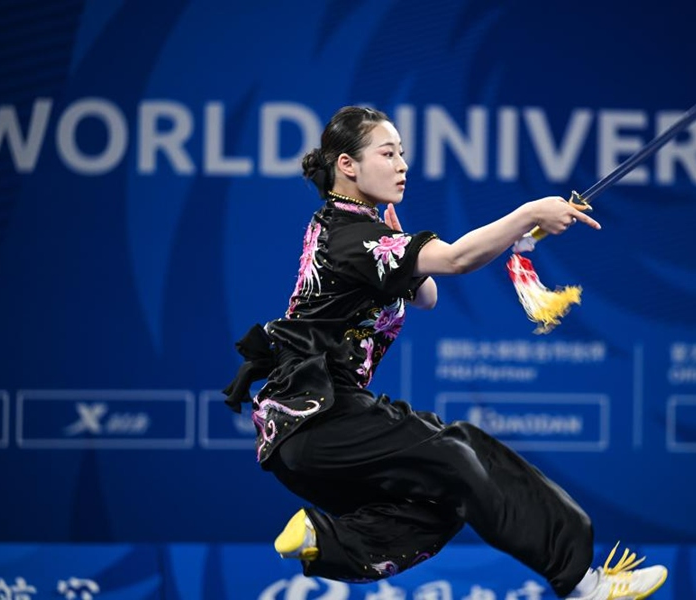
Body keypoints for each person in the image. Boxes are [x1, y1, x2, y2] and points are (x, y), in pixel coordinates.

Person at [223, 106, 668, 599]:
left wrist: (421, 245)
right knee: (456, 458)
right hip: (318, 417)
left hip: (312, 428)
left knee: (453, 485)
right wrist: (529, 212)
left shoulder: (345, 227)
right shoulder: (355, 237)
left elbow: (426, 294)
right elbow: (455, 259)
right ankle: (585, 584)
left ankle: (324, 541)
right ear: (347, 164)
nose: (402, 165)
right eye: (387, 153)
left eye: (403, 154)